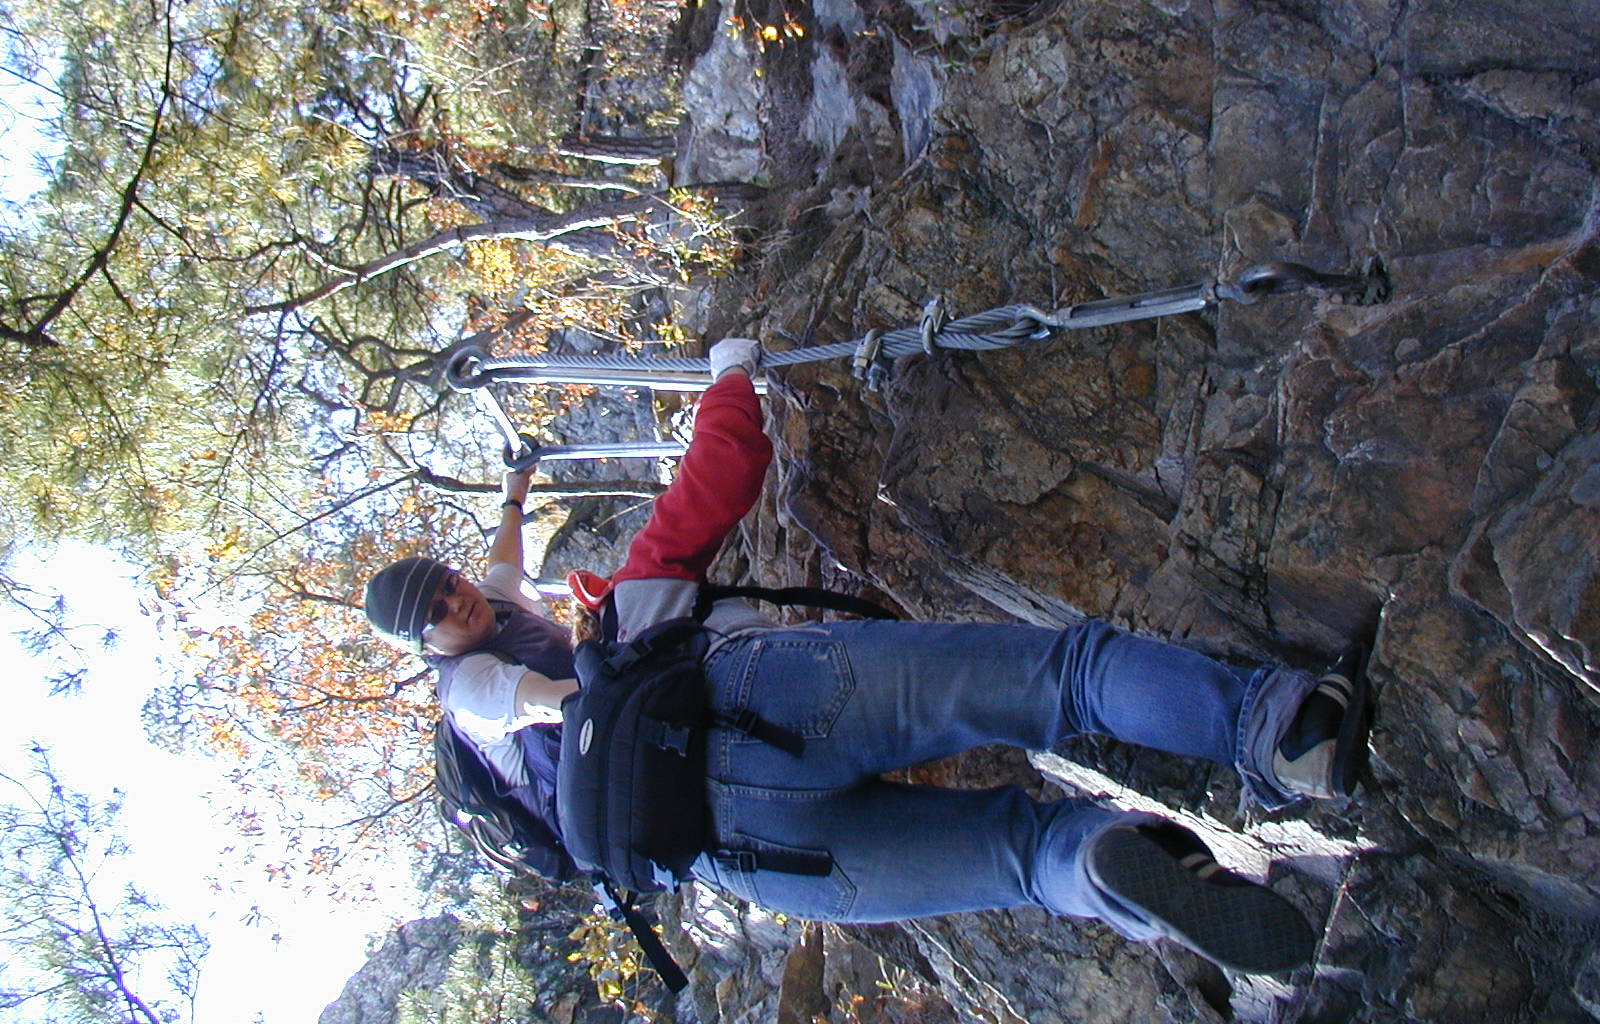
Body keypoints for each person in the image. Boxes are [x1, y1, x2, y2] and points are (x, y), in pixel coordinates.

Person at [364, 339, 1371, 975]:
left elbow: (503, 569)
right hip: (764, 700)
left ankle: (1110, 869)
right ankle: (1283, 733)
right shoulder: (562, 654)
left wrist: (516, 490)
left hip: (748, 863)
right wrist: (729, 374)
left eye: (445, 583)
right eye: (439, 609)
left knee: (1025, 858)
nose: (458, 599)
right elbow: (718, 477)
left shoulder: (511, 632)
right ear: (430, 647)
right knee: (1060, 679)